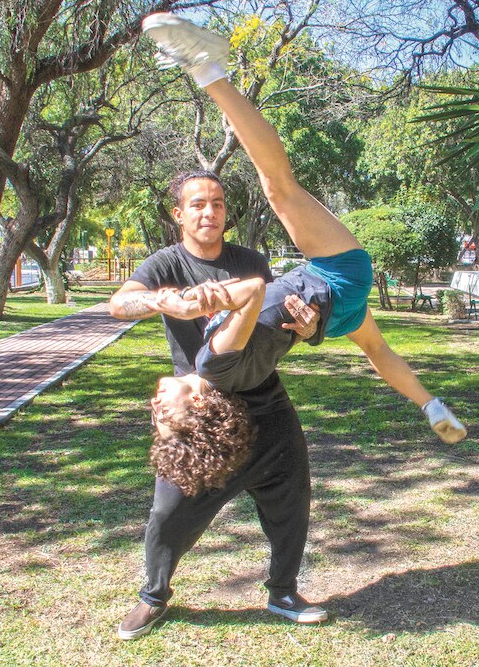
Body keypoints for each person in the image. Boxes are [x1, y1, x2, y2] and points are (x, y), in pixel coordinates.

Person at [140, 12, 466, 447]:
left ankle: (429, 404)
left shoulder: (236, 379)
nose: (154, 402)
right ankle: (205, 66)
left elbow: (278, 332)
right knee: (279, 187)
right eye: (165, 409)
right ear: (198, 404)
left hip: (332, 313)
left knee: (376, 348)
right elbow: (252, 293)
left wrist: (313, 333)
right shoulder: (213, 366)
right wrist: (184, 302)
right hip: (335, 277)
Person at [110, 168, 327, 637]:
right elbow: (119, 304)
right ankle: (153, 596)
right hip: (200, 412)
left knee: (291, 497)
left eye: (218, 204)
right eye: (198, 205)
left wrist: (309, 329)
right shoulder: (166, 264)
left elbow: (279, 317)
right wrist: (169, 300)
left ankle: (283, 590)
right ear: (178, 214)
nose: (209, 212)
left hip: (264, 400)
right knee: (169, 512)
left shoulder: (251, 261)